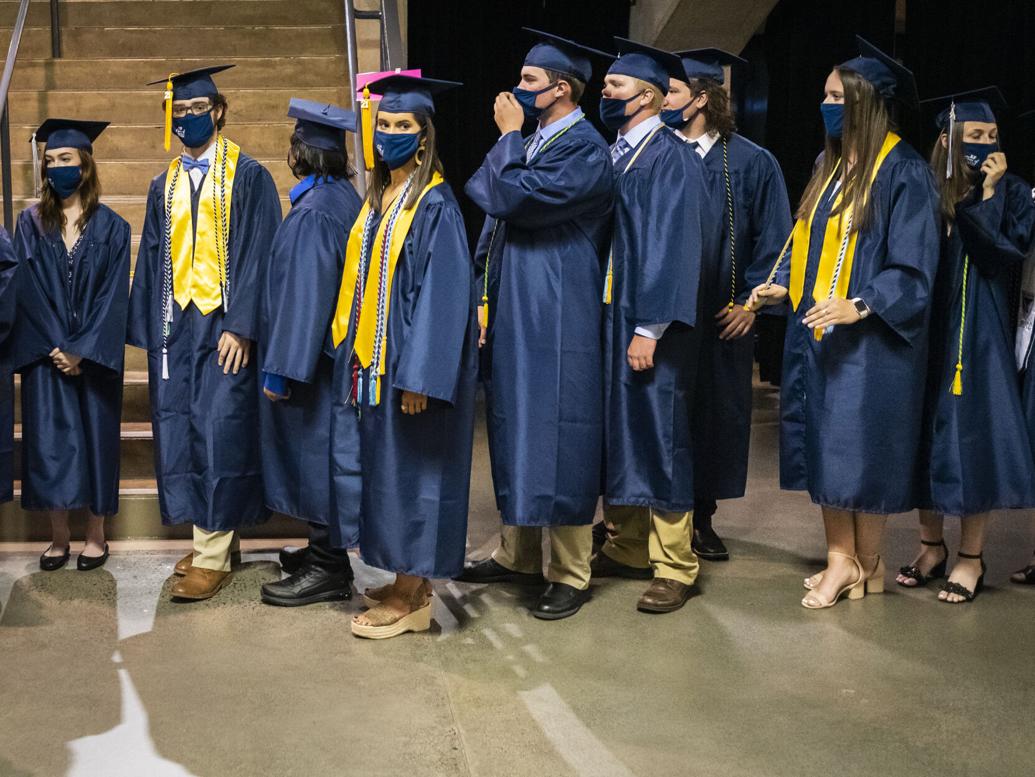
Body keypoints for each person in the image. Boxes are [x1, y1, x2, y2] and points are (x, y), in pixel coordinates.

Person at [747, 37, 940, 609]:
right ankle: (845, 561)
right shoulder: (828, 165)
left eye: (837, 96)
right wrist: (784, 285)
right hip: (819, 329)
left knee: (863, 451)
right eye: (824, 95)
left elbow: (914, 262)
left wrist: (862, 304)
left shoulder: (903, 171)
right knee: (826, 447)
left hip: (873, 339)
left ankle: (865, 562)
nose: (827, 105)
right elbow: (807, 240)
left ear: (866, 101)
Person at [457, 29, 614, 620]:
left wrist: (506, 136)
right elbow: (494, 211)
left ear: (561, 89)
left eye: (529, 81)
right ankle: (518, 554)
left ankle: (570, 572)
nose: (517, 88)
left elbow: (514, 198)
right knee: (515, 424)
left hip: (558, 305)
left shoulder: (585, 151)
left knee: (560, 430)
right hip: (516, 300)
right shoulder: (542, 138)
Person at [328, 74, 477, 639]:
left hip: (410, 368)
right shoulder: (380, 198)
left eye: (402, 126)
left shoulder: (434, 203)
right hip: (373, 362)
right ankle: (402, 576)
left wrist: (421, 376)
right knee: (388, 473)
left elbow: (443, 297)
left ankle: (414, 595)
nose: (389, 133)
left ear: (423, 136)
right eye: (383, 124)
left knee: (415, 473)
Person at [127, 65, 281, 600]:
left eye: (199, 109)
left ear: (219, 111)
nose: (190, 119)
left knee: (220, 426)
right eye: (182, 112)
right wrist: (153, 329)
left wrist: (242, 325)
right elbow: (151, 255)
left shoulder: (249, 175)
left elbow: (261, 252)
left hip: (223, 321)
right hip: (178, 323)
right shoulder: (162, 182)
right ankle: (214, 540)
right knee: (182, 427)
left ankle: (212, 556)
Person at [903, 88, 1035, 603]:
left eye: (991, 137)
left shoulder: (1017, 193)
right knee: (923, 440)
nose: (983, 146)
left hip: (979, 336)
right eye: (972, 137)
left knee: (972, 440)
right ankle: (931, 546)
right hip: (928, 329)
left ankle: (972, 558)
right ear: (948, 140)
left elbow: (1000, 256)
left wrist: (987, 195)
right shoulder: (924, 189)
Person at [662, 47, 793, 561]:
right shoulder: (654, 153)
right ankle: (646, 520)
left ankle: (703, 518)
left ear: (701, 98)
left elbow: (777, 243)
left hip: (722, 316)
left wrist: (750, 306)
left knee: (714, 415)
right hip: (663, 317)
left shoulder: (752, 162)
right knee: (661, 416)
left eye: (671, 90)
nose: (662, 99)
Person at [591, 37, 708, 614]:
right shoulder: (615, 153)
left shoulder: (671, 156)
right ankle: (629, 545)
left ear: (649, 97)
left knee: (660, 434)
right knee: (623, 430)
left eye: (615, 86)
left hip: (648, 322)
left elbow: (674, 247)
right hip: (612, 315)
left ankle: (675, 564)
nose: (605, 92)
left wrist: (650, 327)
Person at [9, 119, 130, 572]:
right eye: (51, 160)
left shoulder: (113, 227)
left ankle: (95, 536)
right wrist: (58, 345)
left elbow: (114, 294)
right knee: (50, 445)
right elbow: (25, 288)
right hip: (46, 354)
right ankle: (59, 536)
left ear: (85, 164)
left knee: (97, 440)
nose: (57, 167)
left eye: (66, 159)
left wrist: (83, 348)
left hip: (93, 358)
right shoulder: (30, 222)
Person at [257, 99, 364, 606]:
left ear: (299, 154)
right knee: (324, 458)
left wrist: (282, 370)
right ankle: (322, 551)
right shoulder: (343, 197)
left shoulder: (314, 215)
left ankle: (327, 565)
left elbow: (305, 298)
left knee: (315, 459)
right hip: (335, 359)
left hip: (315, 366)